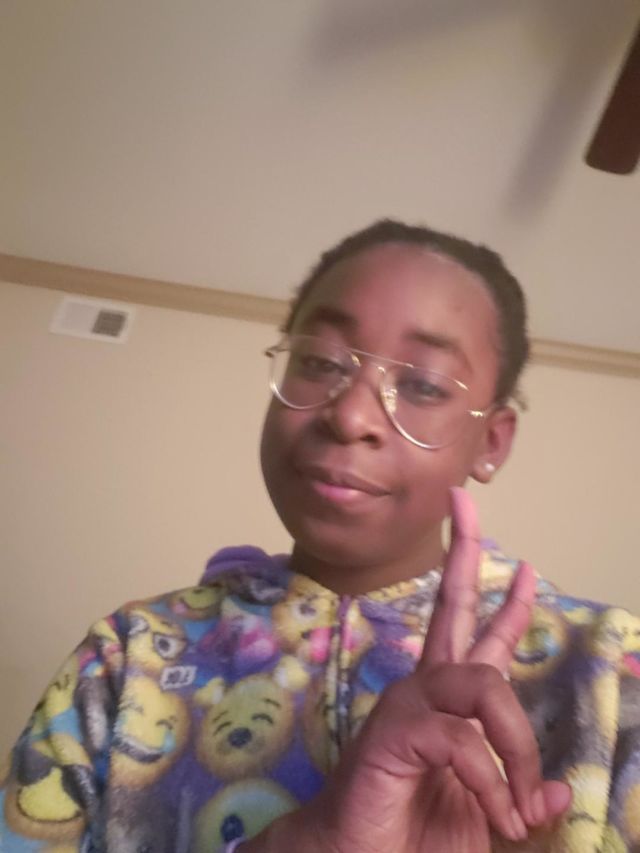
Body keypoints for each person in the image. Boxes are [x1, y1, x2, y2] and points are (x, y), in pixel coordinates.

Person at [1, 220, 639, 853]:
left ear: (491, 442)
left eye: (422, 385)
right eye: (321, 362)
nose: (351, 415)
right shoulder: (127, 658)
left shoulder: (607, 668)